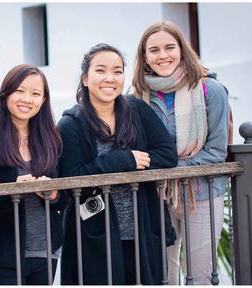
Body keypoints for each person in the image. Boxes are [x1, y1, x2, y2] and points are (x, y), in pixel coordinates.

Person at [58, 43, 178, 285]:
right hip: (93, 236)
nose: (110, 79)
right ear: (85, 78)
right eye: (100, 71)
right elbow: (72, 179)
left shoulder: (137, 110)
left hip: (141, 226)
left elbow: (167, 154)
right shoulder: (70, 124)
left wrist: (133, 163)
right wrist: (122, 159)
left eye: (117, 71)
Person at [132, 21, 230, 285]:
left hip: (202, 193)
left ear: (182, 49)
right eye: (154, 50)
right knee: (163, 275)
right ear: (144, 57)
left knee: (199, 276)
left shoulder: (211, 90)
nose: (162, 55)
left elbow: (217, 151)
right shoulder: (138, 97)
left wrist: (169, 168)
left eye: (169, 47)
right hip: (157, 195)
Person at [0, 64, 66, 285]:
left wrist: (55, 193)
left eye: (36, 94)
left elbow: (64, 198)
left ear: (44, 100)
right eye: (20, 90)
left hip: (46, 249)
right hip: (3, 251)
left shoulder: (50, 138)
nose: (27, 99)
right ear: (6, 93)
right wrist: (11, 187)